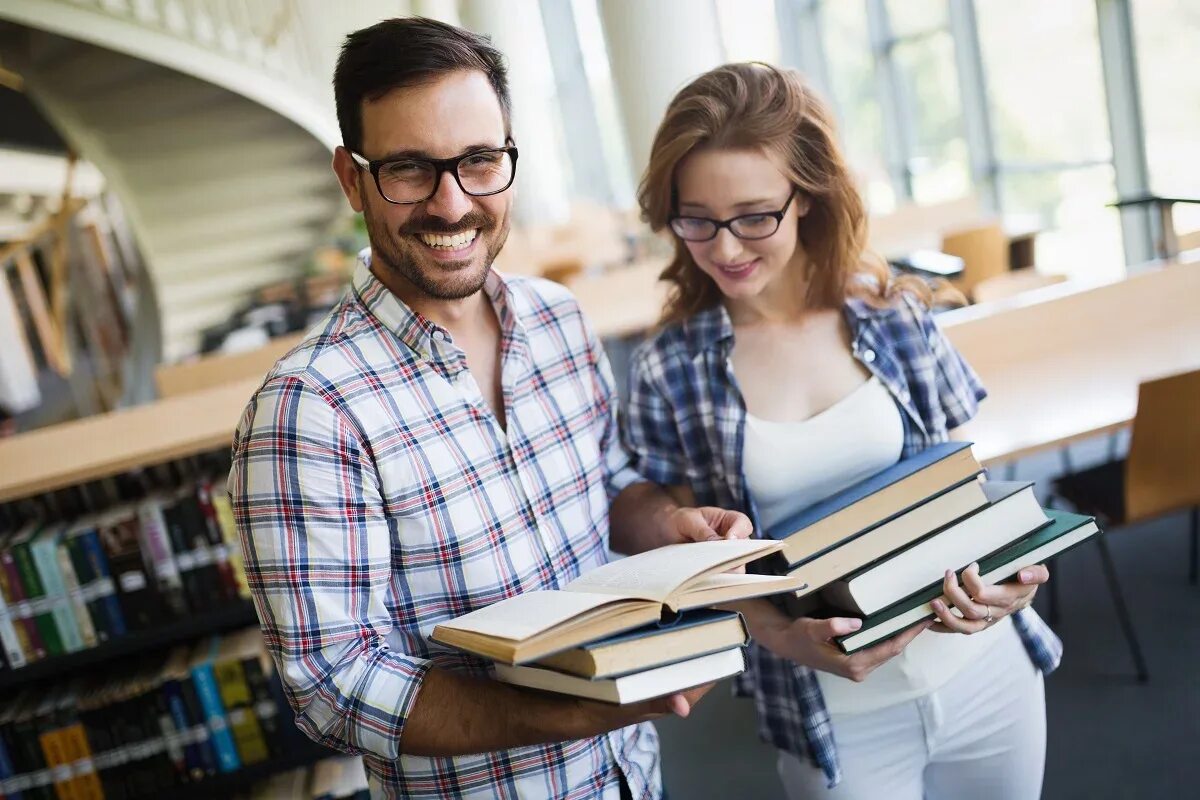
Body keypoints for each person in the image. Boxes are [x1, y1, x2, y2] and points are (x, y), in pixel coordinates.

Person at [228, 18, 750, 800]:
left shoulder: (558, 321)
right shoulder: (309, 412)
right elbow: (332, 687)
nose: (450, 204)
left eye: (478, 161)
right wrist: (580, 709)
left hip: (631, 779)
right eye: (409, 168)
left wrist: (666, 526)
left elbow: (607, 486)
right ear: (351, 177)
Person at [622, 62, 1062, 800]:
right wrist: (771, 629)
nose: (725, 249)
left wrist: (1013, 580)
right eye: (696, 218)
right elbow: (665, 542)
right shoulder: (671, 365)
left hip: (988, 675)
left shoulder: (893, 318)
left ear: (809, 199)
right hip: (833, 714)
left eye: (755, 216)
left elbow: (966, 489)